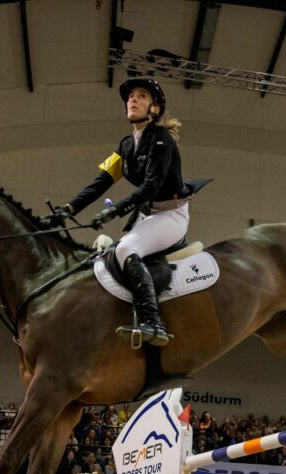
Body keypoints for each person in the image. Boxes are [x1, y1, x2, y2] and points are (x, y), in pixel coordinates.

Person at [59, 77, 206, 347]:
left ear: (154, 108)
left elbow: (152, 185)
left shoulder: (161, 140)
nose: (132, 100)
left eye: (141, 96)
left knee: (125, 250)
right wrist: (67, 209)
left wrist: (115, 210)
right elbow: (101, 182)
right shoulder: (126, 145)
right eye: (130, 97)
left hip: (170, 215)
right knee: (109, 254)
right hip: (147, 213)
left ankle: (153, 321)